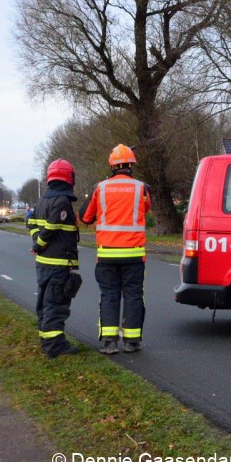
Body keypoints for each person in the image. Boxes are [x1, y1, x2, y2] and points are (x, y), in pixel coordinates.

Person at [80, 144, 151, 355]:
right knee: (133, 296)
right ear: (131, 165)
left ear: (112, 166)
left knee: (109, 295)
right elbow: (146, 209)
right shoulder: (141, 188)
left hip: (107, 254)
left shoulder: (100, 188)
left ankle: (109, 342)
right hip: (134, 253)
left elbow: (85, 217)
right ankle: (132, 342)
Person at [27, 159, 80, 359]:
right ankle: (56, 347)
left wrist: (36, 242)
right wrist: (38, 244)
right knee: (56, 306)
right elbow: (52, 226)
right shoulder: (62, 201)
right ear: (69, 177)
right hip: (58, 264)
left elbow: (30, 221)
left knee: (44, 304)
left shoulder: (42, 200)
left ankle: (47, 341)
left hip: (43, 264)